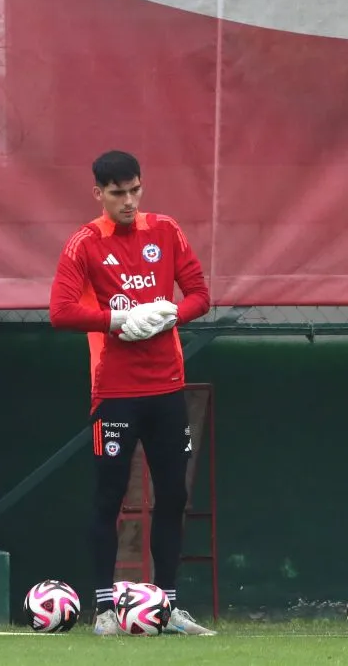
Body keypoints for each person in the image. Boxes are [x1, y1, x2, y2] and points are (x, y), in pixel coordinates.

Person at [49, 150, 215, 636]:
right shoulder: (83, 243)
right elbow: (60, 312)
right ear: (98, 192)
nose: (128, 201)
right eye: (117, 192)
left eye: (135, 190)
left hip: (166, 388)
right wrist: (117, 319)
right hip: (114, 392)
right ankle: (104, 609)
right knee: (109, 496)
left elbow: (201, 295)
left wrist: (170, 313)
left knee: (173, 495)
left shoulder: (165, 231)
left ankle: (167, 605)